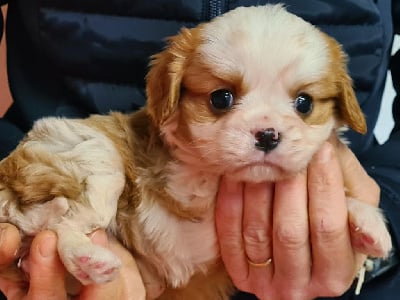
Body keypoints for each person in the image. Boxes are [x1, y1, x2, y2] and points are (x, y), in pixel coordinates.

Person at [0, 0, 399, 299]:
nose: (267, 131)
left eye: (303, 104)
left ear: (342, 105)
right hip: (83, 201)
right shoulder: (144, 143)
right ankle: (69, 237)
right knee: (98, 172)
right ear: (168, 96)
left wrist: (384, 210)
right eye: (223, 100)